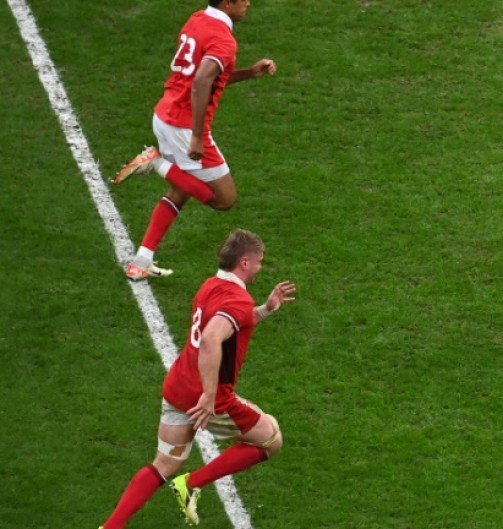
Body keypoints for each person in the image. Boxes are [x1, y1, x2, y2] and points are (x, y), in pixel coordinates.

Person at [98, 229, 296, 528]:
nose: (260, 267)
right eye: (259, 262)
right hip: (206, 397)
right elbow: (212, 338)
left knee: (164, 464)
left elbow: (232, 326)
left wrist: (266, 309)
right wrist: (209, 395)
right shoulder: (237, 299)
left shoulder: (210, 286)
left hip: (178, 386)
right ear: (244, 262)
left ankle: (110, 527)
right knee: (270, 439)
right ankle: (191, 483)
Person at [112, 0, 278, 280]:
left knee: (181, 189)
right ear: (227, 3)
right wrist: (198, 137)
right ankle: (155, 163)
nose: (248, 3)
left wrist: (249, 72)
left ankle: (141, 261)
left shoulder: (197, 19)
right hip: (184, 127)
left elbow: (206, 78)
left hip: (165, 116)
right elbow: (201, 81)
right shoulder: (223, 39)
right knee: (224, 199)